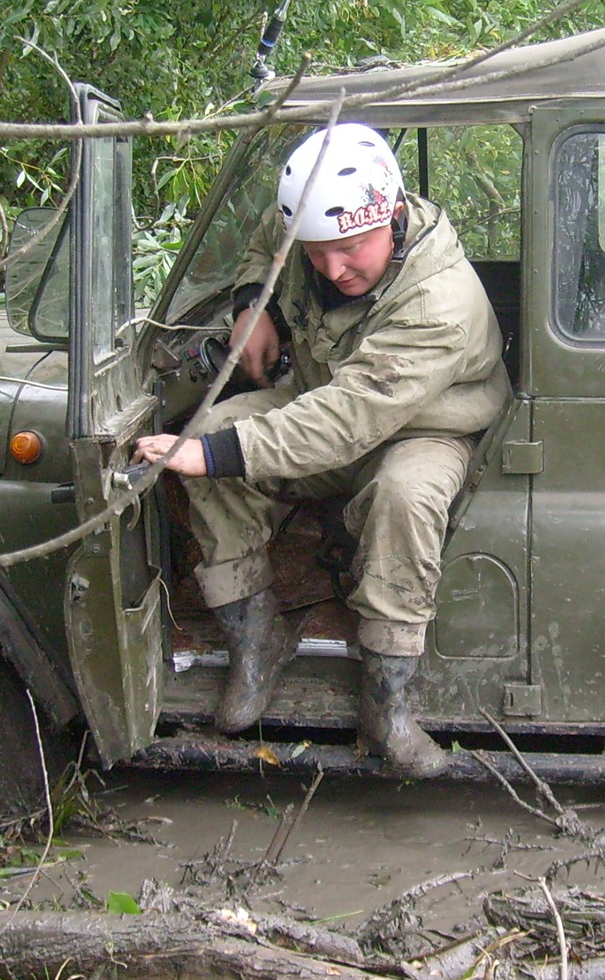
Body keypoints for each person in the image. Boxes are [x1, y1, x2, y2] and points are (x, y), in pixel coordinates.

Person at [132, 124, 510, 778]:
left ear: (392, 217)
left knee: (403, 496)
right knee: (202, 440)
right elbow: (267, 237)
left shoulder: (438, 300)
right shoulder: (323, 226)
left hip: (427, 426)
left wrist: (216, 455)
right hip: (324, 398)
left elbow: (346, 420)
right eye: (317, 253)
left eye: (352, 249)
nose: (334, 269)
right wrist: (254, 303)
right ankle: (257, 639)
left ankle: (387, 696)